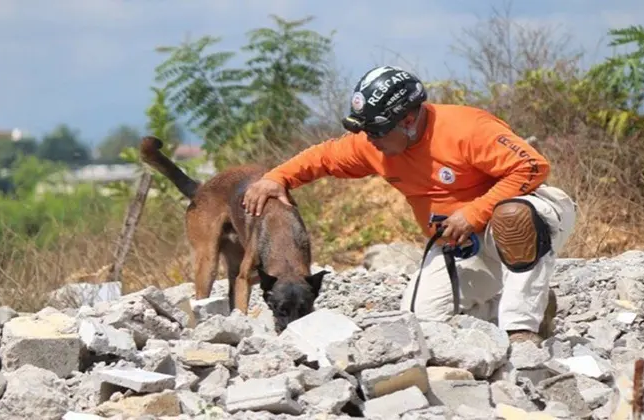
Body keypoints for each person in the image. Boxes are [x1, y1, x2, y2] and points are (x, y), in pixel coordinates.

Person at [241, 65, 577, 345]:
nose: (370, 139)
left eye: (376, 130)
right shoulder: (375, 145)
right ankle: (529, 304)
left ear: (408, 119)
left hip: (522, 216)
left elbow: (532, 167)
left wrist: (474, 213)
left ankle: (522, 332)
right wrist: (277, 178)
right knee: (422, 321)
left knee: (512, 219)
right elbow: (324, 157)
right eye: (366, 131)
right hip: (460, 242)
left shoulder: (467, 128)